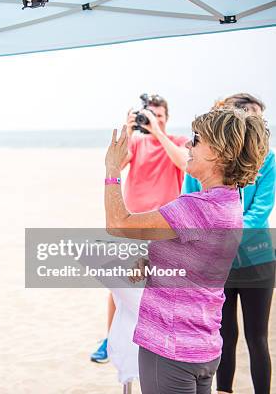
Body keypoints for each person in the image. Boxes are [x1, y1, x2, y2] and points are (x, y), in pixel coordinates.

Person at [104, 107, 270, 393]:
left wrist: (112, 171)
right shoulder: (231, 203)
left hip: (170, 350)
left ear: (218, 152)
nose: (187, 145)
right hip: (203, 348)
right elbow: (196, 259)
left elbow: (119, 223)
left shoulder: (197, 208)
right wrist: (153, 257)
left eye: (197, 139)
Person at [182, 93, 275, 394]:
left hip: (256, 259)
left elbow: (259, 213)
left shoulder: (270, 162)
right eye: (250, 116)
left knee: (257, 337)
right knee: (223, 335)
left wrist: (222, 228)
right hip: (215, 261)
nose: (257, 123)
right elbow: (190, 206)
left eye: (260, 118)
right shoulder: (202, 163)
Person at [92, 94, 188, 363]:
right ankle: (109, 339)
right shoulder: (137, 142)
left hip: (165, 229)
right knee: (118, 287)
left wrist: (158, 133)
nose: (153, 121)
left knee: (162, 286)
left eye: (159, 116)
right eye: (149, 116)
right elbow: (118, 166)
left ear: (167, 119)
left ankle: (160, 338)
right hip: (132, 227)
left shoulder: (178, 142)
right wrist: (127, 129)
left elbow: (183, 163)